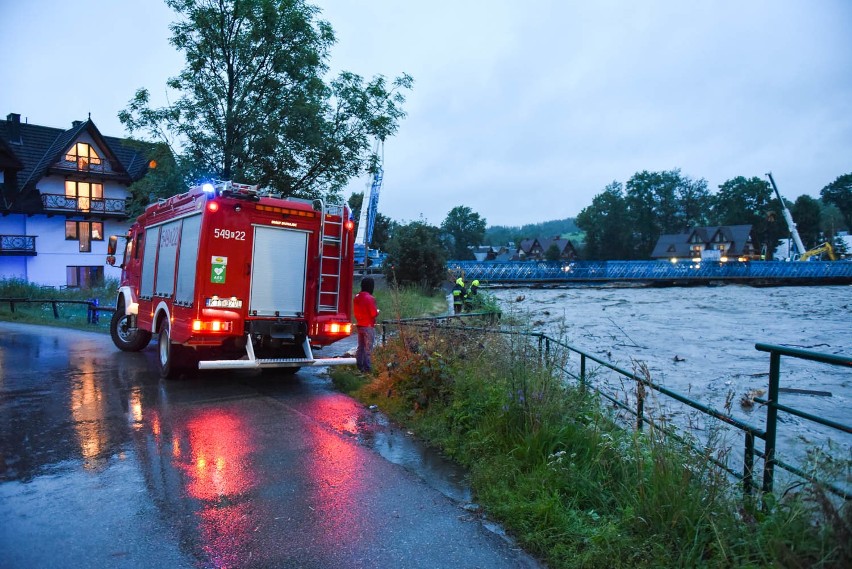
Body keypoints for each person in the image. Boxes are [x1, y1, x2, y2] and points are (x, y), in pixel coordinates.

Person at [353, 277, 379, 372]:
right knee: (368, 348)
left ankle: (359, 366)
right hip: (368, 326)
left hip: (359, 325)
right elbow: (373, 313)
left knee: (361, 347)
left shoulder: (356, 297)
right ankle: (367, 369)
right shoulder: (370, 298)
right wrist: (377, 312)